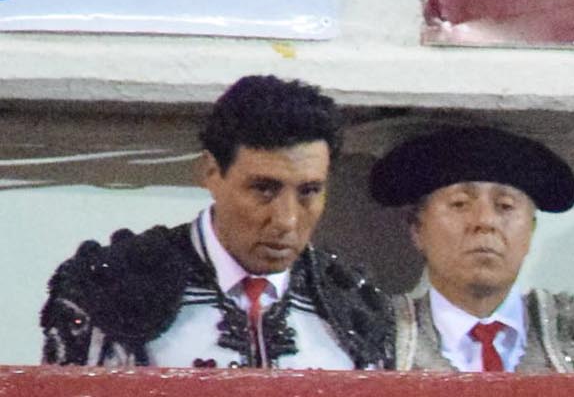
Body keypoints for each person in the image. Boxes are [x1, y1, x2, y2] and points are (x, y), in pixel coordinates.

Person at [40, 75, 392, 369]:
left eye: (309, 191)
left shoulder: (358, 309)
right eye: (263, 189)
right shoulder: (109, 290)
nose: (287, 219)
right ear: (211, 172)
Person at [369, 124, 574, 374]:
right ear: (417, 229)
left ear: (530, 231)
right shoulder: (376, 340)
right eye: (459, 204)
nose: (485, 222)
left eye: (505, 206)